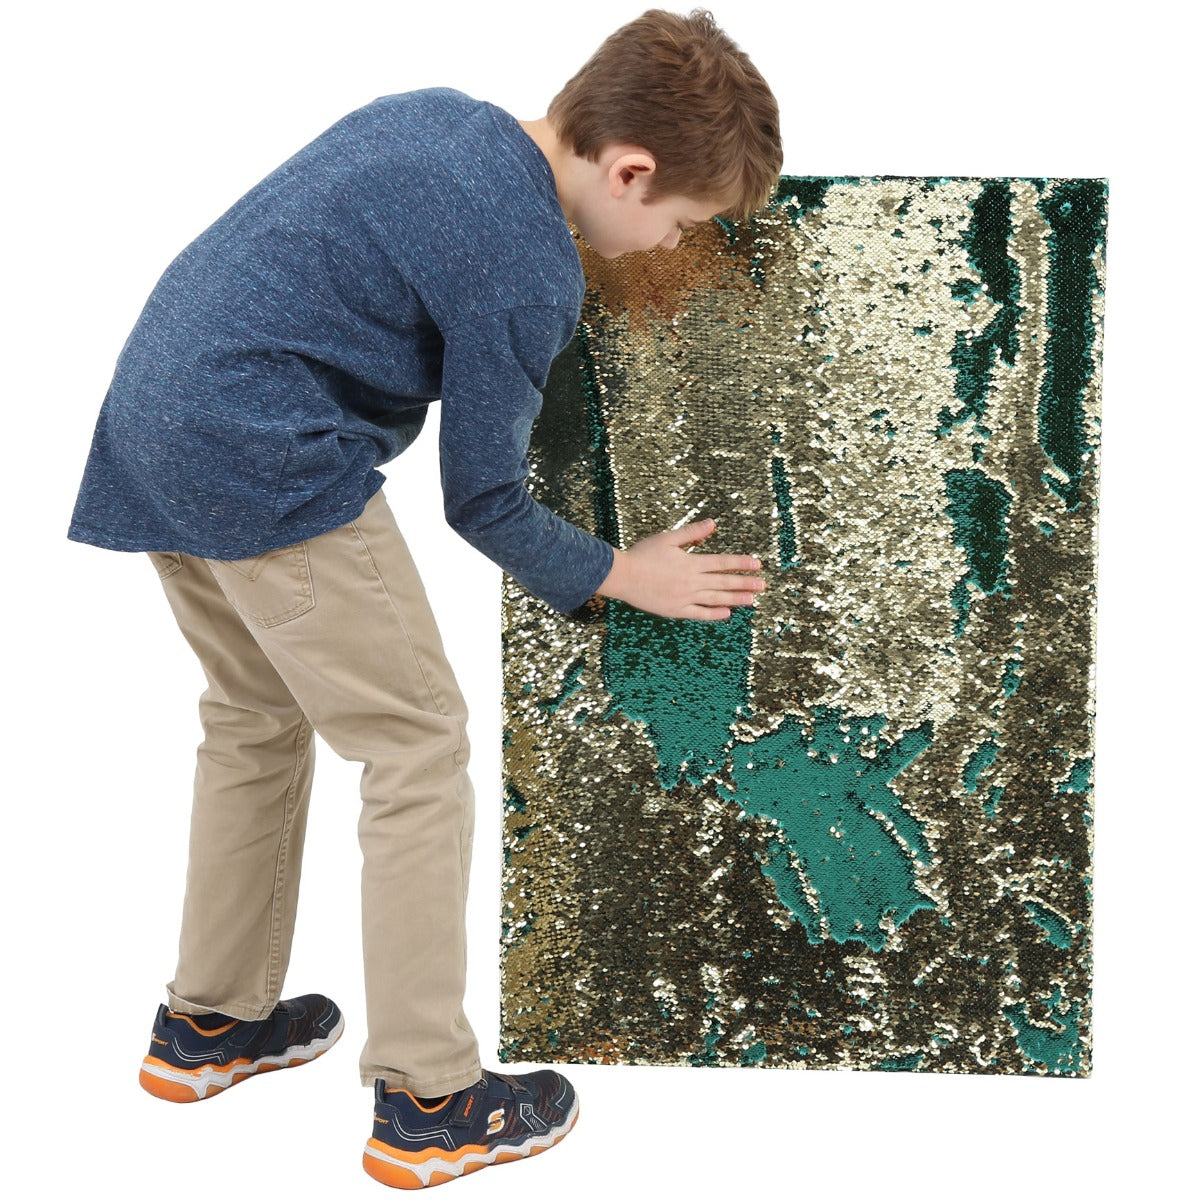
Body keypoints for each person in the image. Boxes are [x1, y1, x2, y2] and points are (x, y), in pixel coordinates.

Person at [66, 6, 782, 1190]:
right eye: (679, 222)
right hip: (263, 456)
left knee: (254, 717)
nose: (666, 249)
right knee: (415, 746)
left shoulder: (442, 118)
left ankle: (209, 1025)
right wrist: (622, 573)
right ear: (630, 169)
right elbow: (484, 502)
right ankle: (433, 1102)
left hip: (157, 422)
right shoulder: (527, 265)